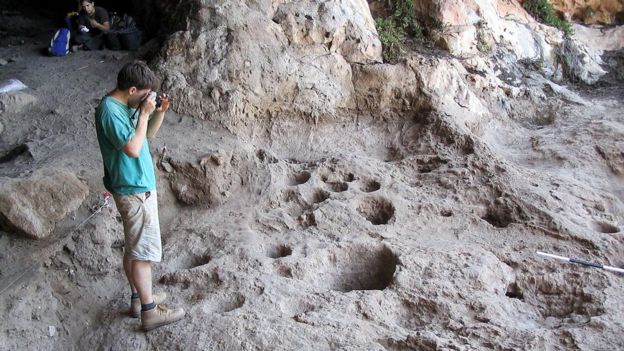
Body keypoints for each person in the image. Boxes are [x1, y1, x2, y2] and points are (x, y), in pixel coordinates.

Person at [94, 60, 185, 331]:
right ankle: (150, 311)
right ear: (132, 89)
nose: (147, 99)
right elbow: (133, 149)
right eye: (145, 94)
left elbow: (146, 137)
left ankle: (138, 299)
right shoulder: (110, 111)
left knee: (135, 249)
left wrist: (158, 113)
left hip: (137, 186)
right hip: (132, 190)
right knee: (142, 254)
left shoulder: (125, 105)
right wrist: (144, 113)